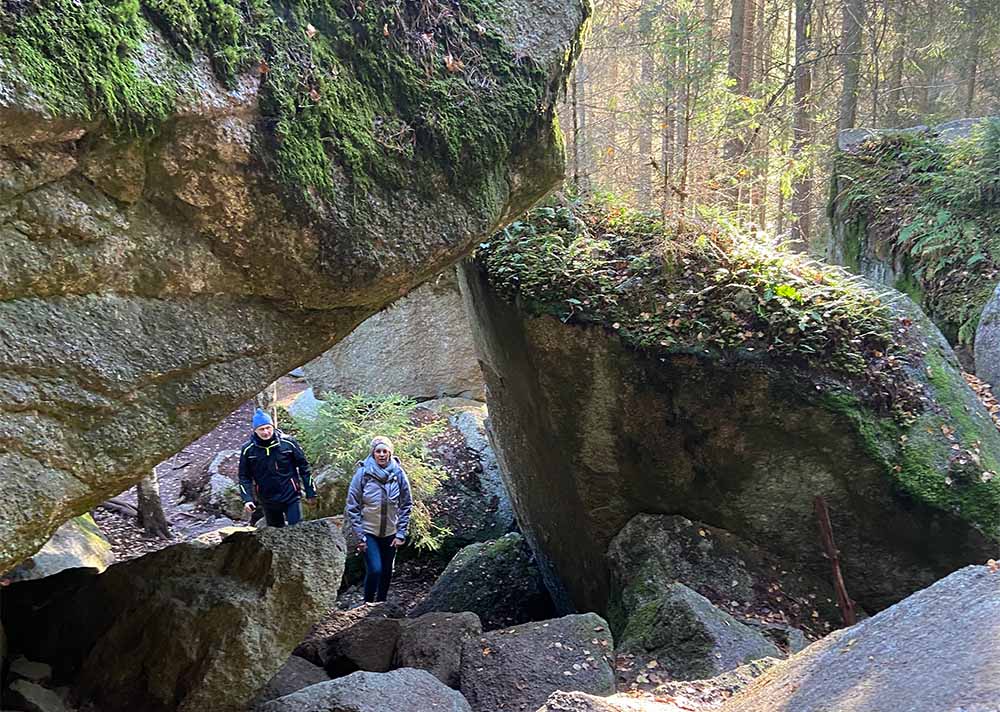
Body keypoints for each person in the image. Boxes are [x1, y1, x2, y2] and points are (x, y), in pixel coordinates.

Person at [345, 436, 413, 603]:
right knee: (375, 570)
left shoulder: (398, 473)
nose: (382, 455)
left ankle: (381, 604)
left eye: (385, 451)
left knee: (387, 571)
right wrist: (359, 535)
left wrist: (401, 533)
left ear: (390, 453)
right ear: (373, 453)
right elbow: (352, 506)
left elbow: (406, 504)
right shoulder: (363, 473)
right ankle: (367, 604)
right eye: (378, 451)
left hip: (391, 532)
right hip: (369, 531)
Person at [238, 408, 316, 527]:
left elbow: (304, 467)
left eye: (268, 428)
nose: (266, 432)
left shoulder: (288, 443)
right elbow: (244, 476)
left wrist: (310, 492)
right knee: (276, 535)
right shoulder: (248, 449)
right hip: (267, 499)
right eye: (261, 429)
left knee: (297, 529)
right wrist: (247, 499)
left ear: (273, 426)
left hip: (291, 496)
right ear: (255, 431)